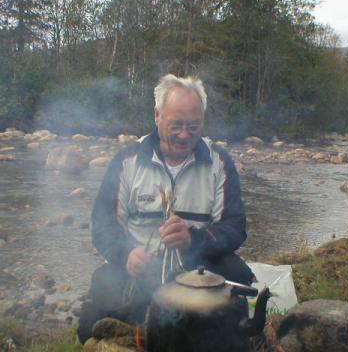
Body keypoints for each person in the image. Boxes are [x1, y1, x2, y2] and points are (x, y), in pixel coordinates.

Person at [77, 74, 254, 344]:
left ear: (202, 121)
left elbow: (234, 227)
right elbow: (103, 225)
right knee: (99, 301)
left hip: (197, 265)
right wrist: (126, 252)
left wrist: (193, 239)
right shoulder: (128, 160)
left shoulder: (219, 162)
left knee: (238, 277)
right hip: (141, 266)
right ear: (157, 116)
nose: (185, 135)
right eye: (176, 125)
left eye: (193, 126)